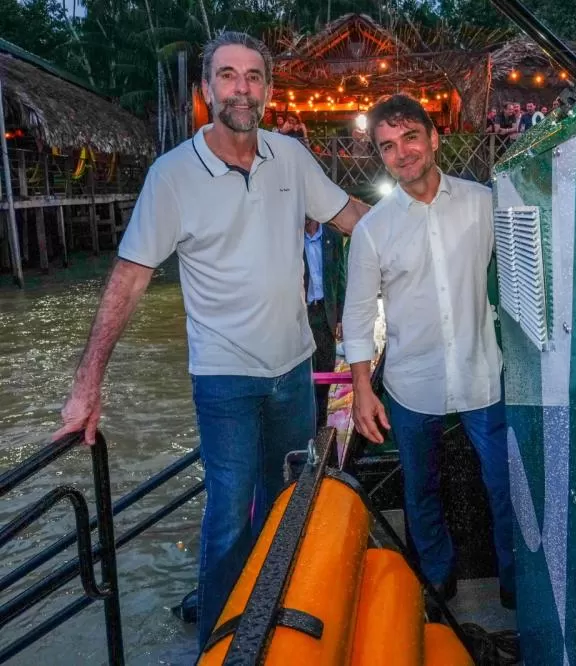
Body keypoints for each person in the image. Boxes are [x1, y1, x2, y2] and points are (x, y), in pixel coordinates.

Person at [52, 31, 369, 649]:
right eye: (228, 76)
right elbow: (129, 278)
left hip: (295, 369)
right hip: (224, 377)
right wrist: (87, 383)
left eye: (253, 76)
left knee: (285, 504)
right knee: (228, 513)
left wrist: (425, 218)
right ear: (206, 89)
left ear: (269, 90)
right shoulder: (172, 176)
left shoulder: (291, 157)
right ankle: (223, 646)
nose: (242, 89)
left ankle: (277, 623)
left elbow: (352, 217)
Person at [342, 93, 515, 609]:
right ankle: (437, 582)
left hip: (483, 371)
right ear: (381, 156)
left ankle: (514, 583)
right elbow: (355, 313)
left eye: (411, 137)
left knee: (505, 486)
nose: (403, 153)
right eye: (389, 146)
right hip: (411, 384)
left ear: (433, 138)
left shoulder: (484, 203)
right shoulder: (373, 230)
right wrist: (361, 388)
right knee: (420, 492)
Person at [304, 216, 347, 430]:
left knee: (325, 366)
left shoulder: (333, 237)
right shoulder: (289, 237)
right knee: (304, 370)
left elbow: (340, 278)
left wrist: (341, 317)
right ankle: (306, 425)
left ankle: (320, 424)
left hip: (325, 312)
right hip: (301, 313)